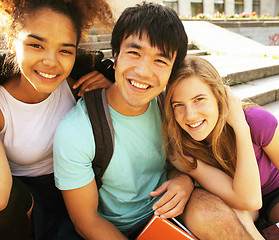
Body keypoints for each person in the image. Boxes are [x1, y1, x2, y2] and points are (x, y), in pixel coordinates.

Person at [54, 3, 256, 240]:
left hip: (172, 212)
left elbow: (177, 161)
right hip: (117, 230)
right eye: (134, 53)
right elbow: (87, 221)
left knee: (211, 213)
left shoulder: (170, 108)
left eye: (160, 61)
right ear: (115, 56)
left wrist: (184, 180)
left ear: (171, 72)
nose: (143, 71)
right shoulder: (76, 131)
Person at [0, 0, 113, 239]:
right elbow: (2, 196)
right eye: (36, 45)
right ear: (11, 43)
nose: (51, 61)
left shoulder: (78, 83)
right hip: (24, 209)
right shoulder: (2, 105)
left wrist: (111, 87)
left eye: (65, 50)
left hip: (79, 192)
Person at [163, 56, 279, 239]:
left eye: (199, 99)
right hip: (242, 204)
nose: (190, 115)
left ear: (219, 97)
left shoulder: (257, 121)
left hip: (274, 192)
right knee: (237, 214)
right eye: (178, 105)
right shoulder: (183, 149)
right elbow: (248, 201)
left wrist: (240, 125)